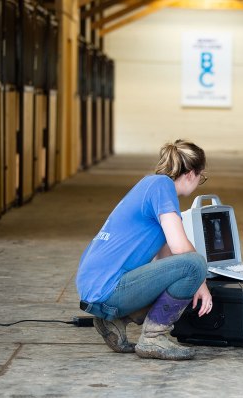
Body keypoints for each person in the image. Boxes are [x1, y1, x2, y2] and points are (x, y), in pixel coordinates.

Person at [76, 139, 213, 361]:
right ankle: (153, 337)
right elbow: (181, 249)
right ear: (191, 174)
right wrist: (202, 280)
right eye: (201, 177)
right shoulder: (163, 187)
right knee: (195, 263)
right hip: (109, 287)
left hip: (94, 283)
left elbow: (167, 256)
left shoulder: (150, 185)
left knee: (187, 267)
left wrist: (192, 280)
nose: (199, 182)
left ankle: (115, 320)